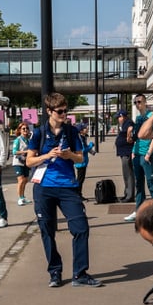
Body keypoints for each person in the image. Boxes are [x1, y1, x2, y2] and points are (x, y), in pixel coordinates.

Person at [26, 93, 102, 288]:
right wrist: (47, 155)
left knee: (81, 228)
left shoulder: (71, 131)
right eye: (60, 111)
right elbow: (29, 161)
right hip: (44, 187)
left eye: (66, 110)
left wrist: (69, 155)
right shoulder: (39, 133)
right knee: (47, 231)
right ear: (49, 111)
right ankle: (55, 272)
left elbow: (80, 159)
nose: (64, 114)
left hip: (68, 186)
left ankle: (80, 273)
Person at [125, 95, 153, 222]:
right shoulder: (139, 118)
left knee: (152, 183)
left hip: (147, 154)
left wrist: (149, 152)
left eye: (139, 102)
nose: (137, 104)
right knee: (139, 184)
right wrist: (134, 151)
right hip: (137, 153)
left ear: (145, 102)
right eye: (135, 102)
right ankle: (138, 210)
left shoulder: (152, 115)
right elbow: (137, 137)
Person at [114, 109, 136, 202]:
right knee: (126, 174)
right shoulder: (124, 124)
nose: (118, 119)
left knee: (128, 174)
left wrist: (128, 136)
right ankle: (127, 193)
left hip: (127, 152)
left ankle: (129, 195)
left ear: (122, 116)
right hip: (123, 152)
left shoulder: (128, 123)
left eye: (119, 117)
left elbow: (131, 130)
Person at [11, 123, 32, 206]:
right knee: (21, 180)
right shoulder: (18, 140)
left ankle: (23, 196)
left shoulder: (28, 140)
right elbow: (14, 151)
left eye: (27, 128)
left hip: (25, 162)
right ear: (20, 130)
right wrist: (25, 152)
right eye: (23, 129)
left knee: (26, 180)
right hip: (18, 162)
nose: (25, 130)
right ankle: (20, 198)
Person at [73, 122, 94, 200]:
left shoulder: (83, 137)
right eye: (85, 128)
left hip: (83, 161)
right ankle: (78, 194)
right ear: (81, 130)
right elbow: (82, 150)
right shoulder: (80, 139)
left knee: (81, 179)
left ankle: (79, 194)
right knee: (80, 179)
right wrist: (90, 146)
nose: (87, 129)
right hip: (80, 162)